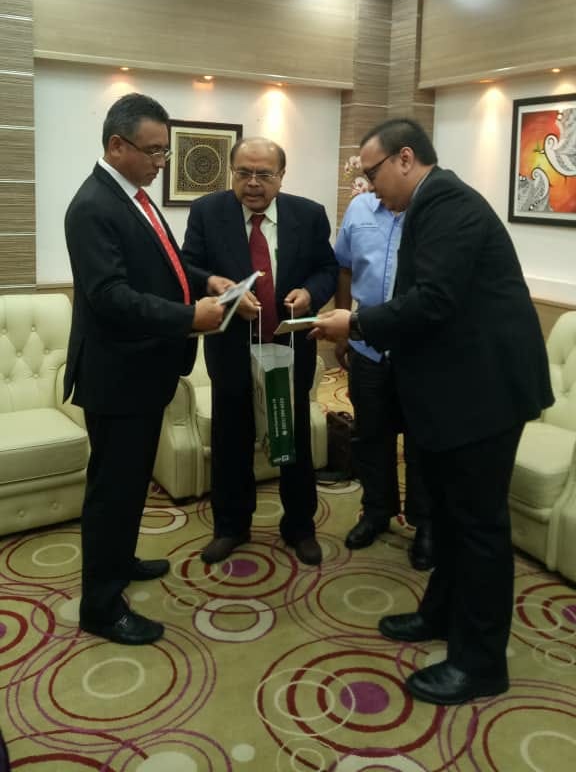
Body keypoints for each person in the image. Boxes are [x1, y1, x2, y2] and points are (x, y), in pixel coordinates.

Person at [312, 118, 553, 706]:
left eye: (372, 173)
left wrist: (357, 322)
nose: (368, 187)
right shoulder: (430, 203)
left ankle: (481, 663)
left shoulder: (448, 205)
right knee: (446, 517)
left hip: (484, 396)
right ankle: (442, 613)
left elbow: (435, 301)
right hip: (457, 391)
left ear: (405, 158)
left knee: (479, 528)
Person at [64, 93, 228, 646]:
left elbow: (167, 263)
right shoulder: (92, 206)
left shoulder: (132, 196)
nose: (161, 162)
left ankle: (120, 560)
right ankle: (100, 606)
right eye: (154, 151)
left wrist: (205, 280)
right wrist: (189, 318)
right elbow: (111, 296)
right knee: (112, 491)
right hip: (117, 376)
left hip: (142, 372)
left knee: (130, 484)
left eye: (165, 151)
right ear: (117, 145)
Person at [182, 137, 339, 567]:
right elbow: (188, 266)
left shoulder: (308, 214)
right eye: (243, 173)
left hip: (288, 348)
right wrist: (215, 284)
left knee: (294, 438)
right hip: (232, 350)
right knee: (231, 440)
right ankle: (231, 527)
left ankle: (300, 527)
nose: (252, 183)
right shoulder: (207, 212)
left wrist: (310, 293)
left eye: (264, 174)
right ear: (232, 172)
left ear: (281, 176)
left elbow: (327, 268)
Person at [334, 193, 434, 569]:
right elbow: (345, 269)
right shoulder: (359, 208)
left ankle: (425, 523)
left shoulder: (433, 210)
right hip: (367, 347)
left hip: (419, 352)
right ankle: (376, 511)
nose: (372, 182)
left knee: (422, 441)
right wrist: (344, 328)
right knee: (370, 435)